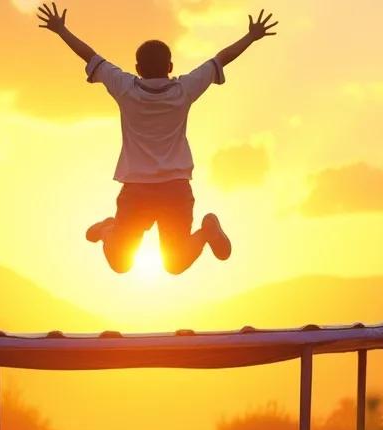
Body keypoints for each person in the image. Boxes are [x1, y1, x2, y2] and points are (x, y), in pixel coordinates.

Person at [37, 3, 278, 274]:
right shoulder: (183, 89)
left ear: (138, 68)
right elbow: (221, 58)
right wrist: (251, 37)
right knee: (174, 265)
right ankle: (203, 233)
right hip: (175, 188)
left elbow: (89, 55)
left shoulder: (125, 87)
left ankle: (109, 229)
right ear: (170, 65)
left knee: (120, 264)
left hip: (137, 190)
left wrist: (61, 30)